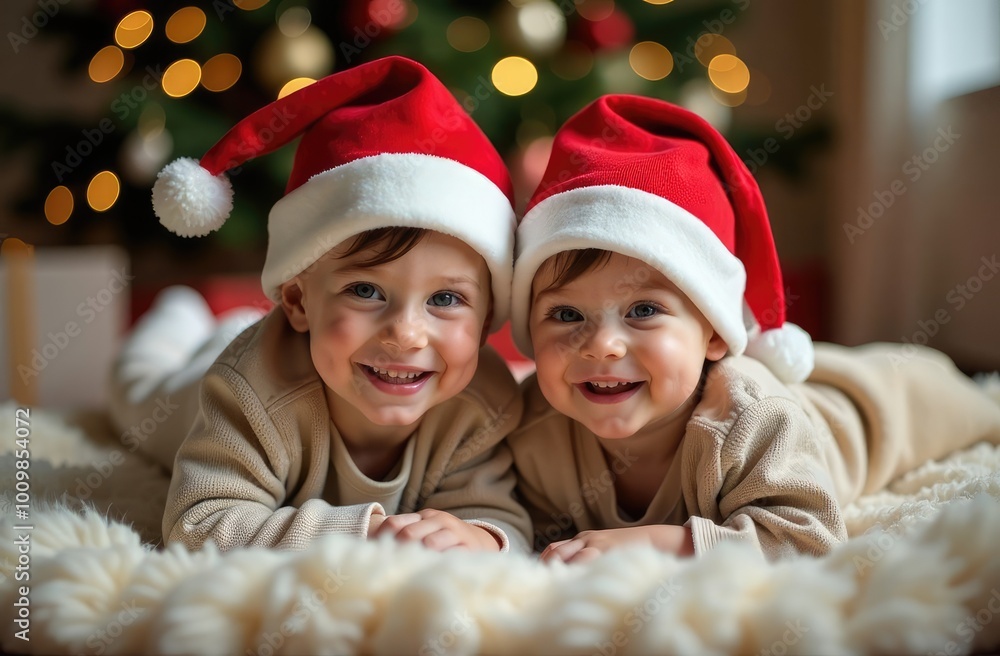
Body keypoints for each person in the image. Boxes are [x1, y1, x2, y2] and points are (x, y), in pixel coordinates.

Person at [506, 95, 1000, 563]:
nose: (602, 346)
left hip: (885, 399)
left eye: (642, 311)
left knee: (973, 404)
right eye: (567, 315)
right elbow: (495, 505)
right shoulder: (531, 425)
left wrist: (665, 543)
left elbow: (807, 539)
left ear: (716, 332)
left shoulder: (753, 419)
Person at [124, 56, 530, 553]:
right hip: (194, 388)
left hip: (279, 340)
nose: (405, 334)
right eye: (366, 291)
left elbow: (500, 512)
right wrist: (364, 534)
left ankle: (226, 322)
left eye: (445, 299)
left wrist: (483, 537)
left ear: (488, 316)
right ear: (297, 300)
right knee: (137, 384)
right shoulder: (249, 392)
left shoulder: (482, 403)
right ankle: (178, 316)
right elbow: (199, 526)